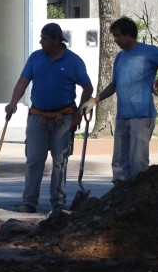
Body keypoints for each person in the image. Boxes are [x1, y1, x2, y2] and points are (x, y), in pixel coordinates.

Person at [5, 23, 93, 213]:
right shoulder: (36, 58)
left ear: (56, 40)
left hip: (64, 117)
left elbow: (88, 87)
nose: (40, 41)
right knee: (34, 160)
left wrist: (79, 113)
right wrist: (13, 102)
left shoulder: (73, 61)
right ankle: (29, 202)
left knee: (60, 161)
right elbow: (23, 81)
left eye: (44, 38)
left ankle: (58, 203)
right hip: (38, 116)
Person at [94, 17, 158, 183]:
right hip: (122, 115)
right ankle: (119, 195)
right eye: (114, 36)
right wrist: (96, 99)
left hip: (142, 115)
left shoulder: (148, 51)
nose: (115, 39)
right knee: (119, 163)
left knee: (138, 163)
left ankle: (138, 196)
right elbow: (114, 84)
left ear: (129, 34)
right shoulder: (120, 57)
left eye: (118, 35)